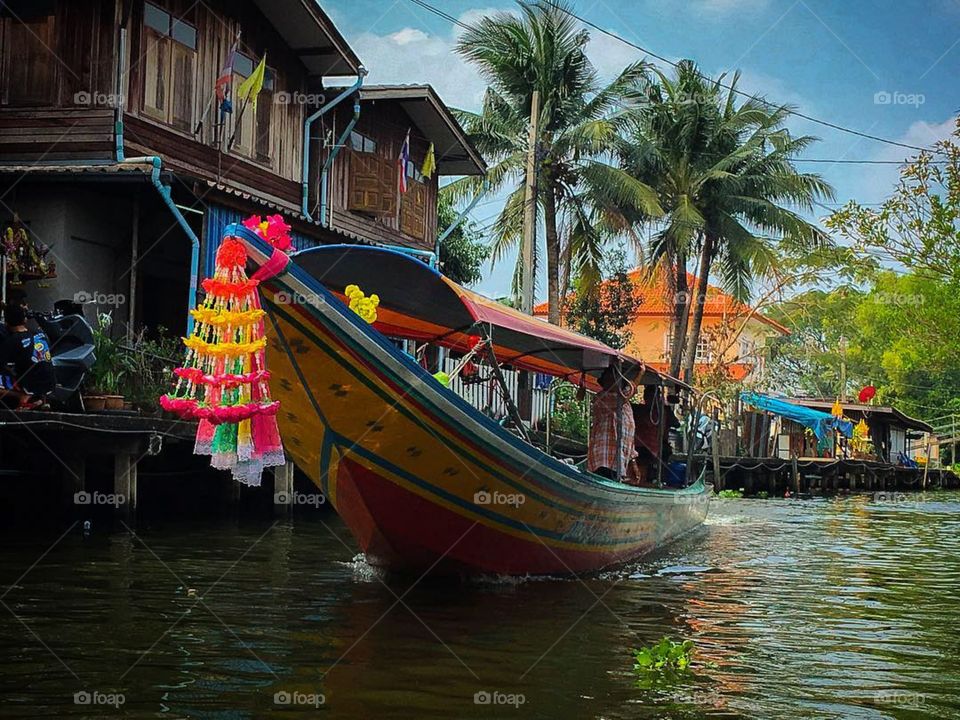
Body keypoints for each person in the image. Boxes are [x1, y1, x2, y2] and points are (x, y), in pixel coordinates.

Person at [0, 304, 55, 408]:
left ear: (6, 323)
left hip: (30, 386)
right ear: (25, 320)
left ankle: (22, 396)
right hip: (50, 385)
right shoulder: (41, 334)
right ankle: (40, 400)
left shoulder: (12, 341)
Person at [587, 366, 637, 481]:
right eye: (608, 380)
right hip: (603, 458)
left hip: (619, 459)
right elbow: (630, 391)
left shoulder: (626, 406)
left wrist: (633, 460)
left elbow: (629, 435)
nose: (610, 383)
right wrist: (640, 374)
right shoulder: (602, 398)